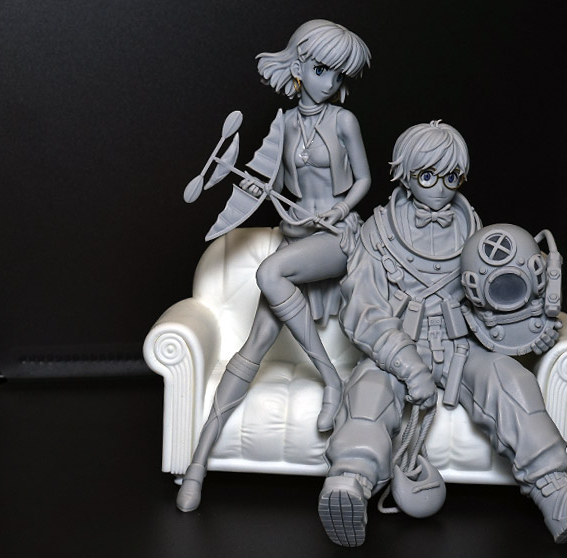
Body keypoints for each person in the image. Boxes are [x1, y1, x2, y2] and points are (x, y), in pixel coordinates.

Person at [318, 121, 567, 546]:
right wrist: (409, 366)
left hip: (461, 348)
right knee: (369, 392)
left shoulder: (475, 230)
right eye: (428, 175)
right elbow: (363, 312)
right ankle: (350, 483)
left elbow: (492, 302)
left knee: (511, 381)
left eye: (451, 177)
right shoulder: (377, 232)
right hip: (396, 352)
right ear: (405, 173)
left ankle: (556, 496)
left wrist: (525, 334)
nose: (440, 188)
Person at [177, 19, 372, 513]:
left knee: (268, 273)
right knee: (254, 345)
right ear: (299, 65)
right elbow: (267, 180)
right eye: (322, 70)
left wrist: (341, 209)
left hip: (335, 238)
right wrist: (252, 185)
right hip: (296, 239)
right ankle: (197, 464)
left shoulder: (344, 122)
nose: (330, 82)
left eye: (338, 74)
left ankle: (331, 379)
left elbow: (364, 180)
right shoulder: (283, 124)